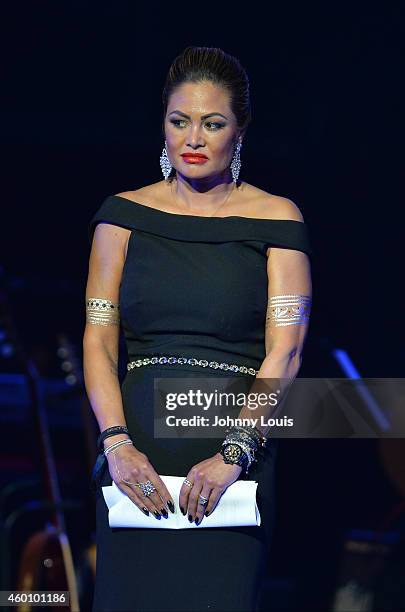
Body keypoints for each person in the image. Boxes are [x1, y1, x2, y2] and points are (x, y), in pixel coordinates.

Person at [83, 46, 313, 612]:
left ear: (239, 131)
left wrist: (234, 452)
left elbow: (286, 353)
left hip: (234, 461)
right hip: (134, 465)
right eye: (179, 121)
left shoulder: (276, 218)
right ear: (162, 124)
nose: (193, 139)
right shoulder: (120, 218)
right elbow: (97, 340)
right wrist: (117, 447)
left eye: (212, 124)